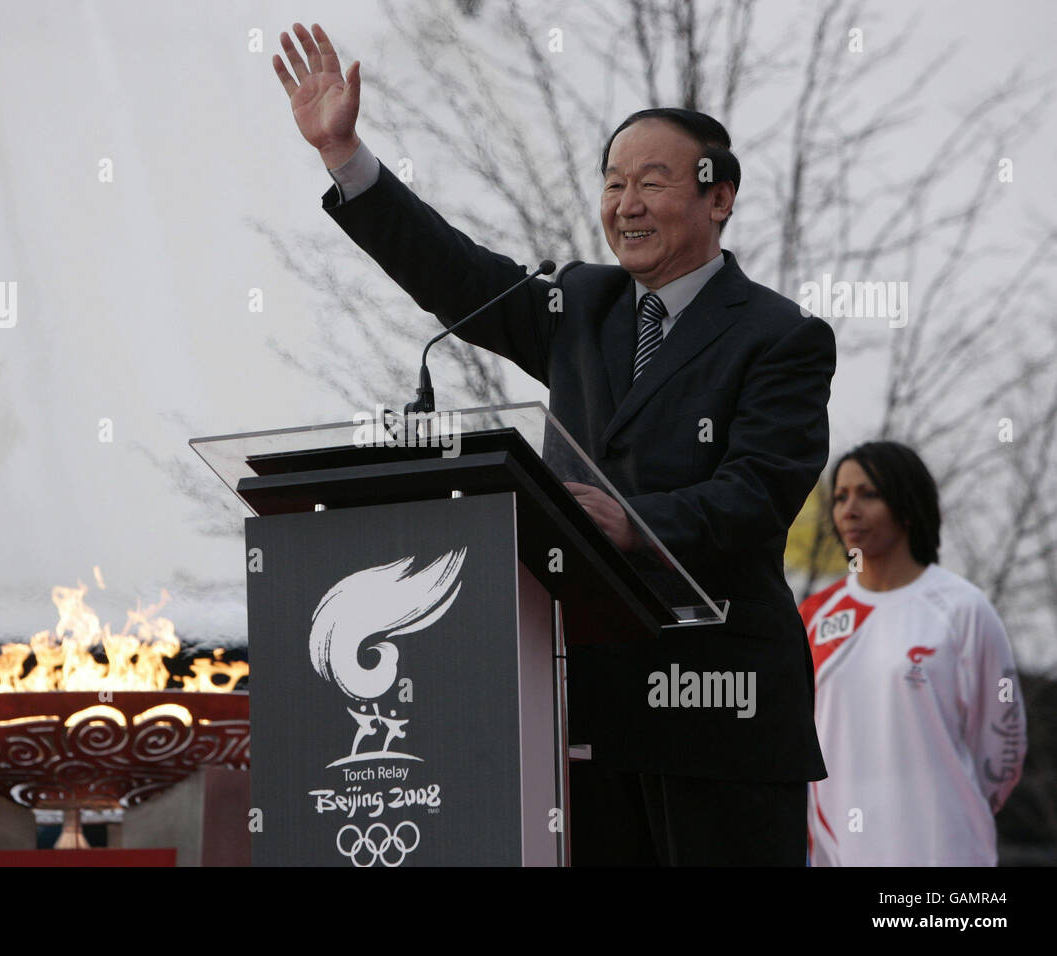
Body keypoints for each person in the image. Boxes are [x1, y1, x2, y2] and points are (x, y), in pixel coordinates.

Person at [273, 23, 837, 865]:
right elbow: (456, 274)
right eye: (613, 184)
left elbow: (756, 495)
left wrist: (627, 522)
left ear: (720, 198)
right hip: (583, 705)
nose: (626, 203)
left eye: (652, 182)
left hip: (719, 701)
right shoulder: (583, 303)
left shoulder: (780, 336)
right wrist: (346, 155)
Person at [799, 442, 1026, 865]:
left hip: (944, 849)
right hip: (837, 850)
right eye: (841, 496)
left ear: (906, 504)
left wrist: (948, 808)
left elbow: (1001, 746)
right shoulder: (813, 616)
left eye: (869, 494)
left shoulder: (963, 609)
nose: (849, 509)